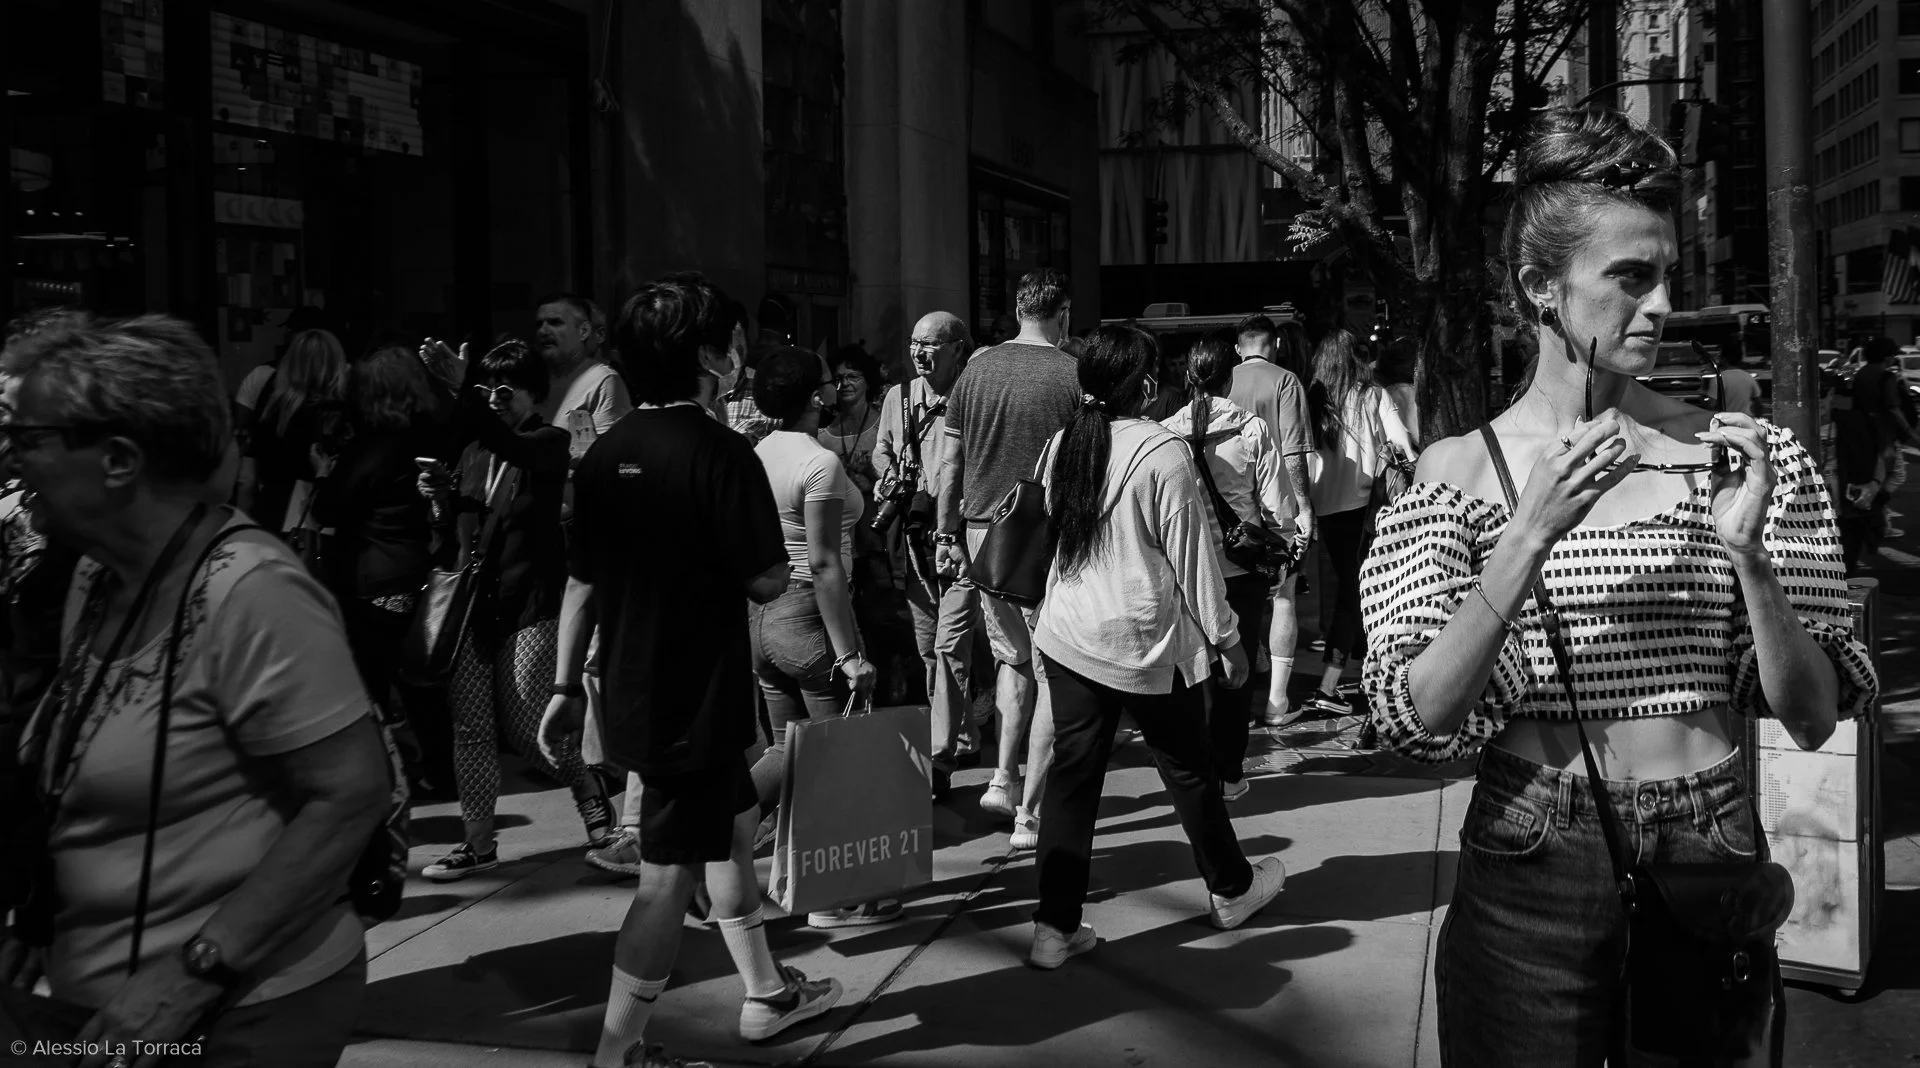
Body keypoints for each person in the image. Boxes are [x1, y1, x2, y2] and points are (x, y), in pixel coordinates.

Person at [1361, 105, 1877, 1066]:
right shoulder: (1456, 472)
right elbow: (1415, 717)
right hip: (1531, 853)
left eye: (1668, 275)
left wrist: (1752, 558)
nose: (1662, 305)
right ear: (1540, 288)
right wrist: (1527, 537)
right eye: (1630, 278)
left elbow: (1813, 716)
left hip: (1709, 839)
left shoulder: (1748, 459)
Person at [0, 314, 392, 1066]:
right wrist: (42, 915)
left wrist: (194, 971)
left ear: (118, 459)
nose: (10, 461)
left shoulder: (253, 591)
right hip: (99, 1003)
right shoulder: (95, 572)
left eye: (26, 437)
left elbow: (350, 796)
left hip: (238, 1014)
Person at [539, 274, 842, 1068]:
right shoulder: (719, 452)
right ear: (709, 355)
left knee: (733, 833)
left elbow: (582, 582)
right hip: (696, 696)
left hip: (636, 687)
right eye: (733, 342)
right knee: (667, 880)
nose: (742, 356)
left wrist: (566, 688)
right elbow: (768, 578)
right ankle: (619, 1053)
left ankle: (767, 993)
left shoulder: (605, 455)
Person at [1025, 323, 1286, 970]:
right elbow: (1194, 562)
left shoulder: (1063, 445)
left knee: (1072, 781)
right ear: (1145, 386)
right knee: (1190, 772)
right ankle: (1230, 888)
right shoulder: (1159, 453)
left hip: (1068, 635)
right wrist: (1228, 641)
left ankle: (1054, 928)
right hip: (1142, 641)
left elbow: (1053, 540)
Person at [413, 339, 613, 881]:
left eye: (506, 391)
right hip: (476, 605)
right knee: (472, 730)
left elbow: (511, 444)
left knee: (532, 729)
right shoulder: (475, 450)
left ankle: (591, 796)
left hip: (532, 601)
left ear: (533, 395)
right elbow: (452, 534)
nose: (495, 400)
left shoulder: (548, 442)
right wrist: (438, 499)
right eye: (487, 392)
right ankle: (478, 844)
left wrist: (463, 387)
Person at [744, 347, 898, 928]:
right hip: (809, 616)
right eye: (829, 383)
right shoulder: (818, 463)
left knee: (797, 753)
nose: (836, 389)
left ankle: (799, 882)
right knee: (822, 756)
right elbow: (827, 563)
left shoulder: (759, 453)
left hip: (764, 618)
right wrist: (851, 653)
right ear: (814, 397)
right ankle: (834, 898)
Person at [935, 268, 1082, 853]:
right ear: (1062, 313)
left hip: (980, 533)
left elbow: (950, 463)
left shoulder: (977, 368)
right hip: (1047, 534)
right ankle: (1030, 813)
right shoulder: (1072, 373)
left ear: (1018, 309)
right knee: (1051, 667)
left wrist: (946, 533)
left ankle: (1002, 777)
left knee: (1010, 658)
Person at [1159, 330, 1300, 800]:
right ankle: (1230, 773)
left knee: (1188, 672)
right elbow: (1281, 507)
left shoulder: (1165, 434)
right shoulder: (1250, 429)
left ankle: (1193, 770)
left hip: (1184, 571)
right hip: (1240, 573)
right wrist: (1280, 545)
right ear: (1228, 378)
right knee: (1234, 677)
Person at [311, 345, 450, 757]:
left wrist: (322, 474)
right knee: (415, 681)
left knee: (370, 682)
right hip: (411, 567)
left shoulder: (374, 446)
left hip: (374, 577)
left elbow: (328, 509)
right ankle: (439, 772)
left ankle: (387, 776)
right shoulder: (427, 432)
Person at [873, 312, 978, 794]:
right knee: (928, 648)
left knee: (949, 645)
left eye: (930, 345)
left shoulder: (973, 395)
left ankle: (937, 764)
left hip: (957, 540)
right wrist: (889, 474)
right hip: (916, 538)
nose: (919, 353)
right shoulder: (899, 396)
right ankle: (962, 732)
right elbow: (881, 450)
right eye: (914, 343)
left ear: (957, 347)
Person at [1302, 328, 1413, 719]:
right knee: (1359, 595)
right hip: (1366, 507)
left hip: (1324, 509)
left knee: (1353, 590)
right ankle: (1329, 685)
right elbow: (1402, 446)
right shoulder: (1373, 396)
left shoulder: (1312, 401)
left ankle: (1361, 676)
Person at [1230, 313, 1317, 723]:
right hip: (1275, 505)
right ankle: (1277, 703)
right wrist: (1304, 506)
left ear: (1238, 348)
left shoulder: (1220, 379)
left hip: (1228, 510)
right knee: (1284, 596)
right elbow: (1295, 451)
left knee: (1233, 596)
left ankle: (1237, 694)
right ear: (1275, 344)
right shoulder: (1285, 381)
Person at [236, 328, 348, 535]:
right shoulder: (345, 410)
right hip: (325, 519)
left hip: (272, 511)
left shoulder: (273, 401)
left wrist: (243, 527)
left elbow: (246, 479)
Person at [532, 293, 632, 458]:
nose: (543, 330)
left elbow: (606, 455)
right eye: (539, 324)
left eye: (555, 322)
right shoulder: (535, 380)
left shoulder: (602, 380)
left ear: (583, 331)